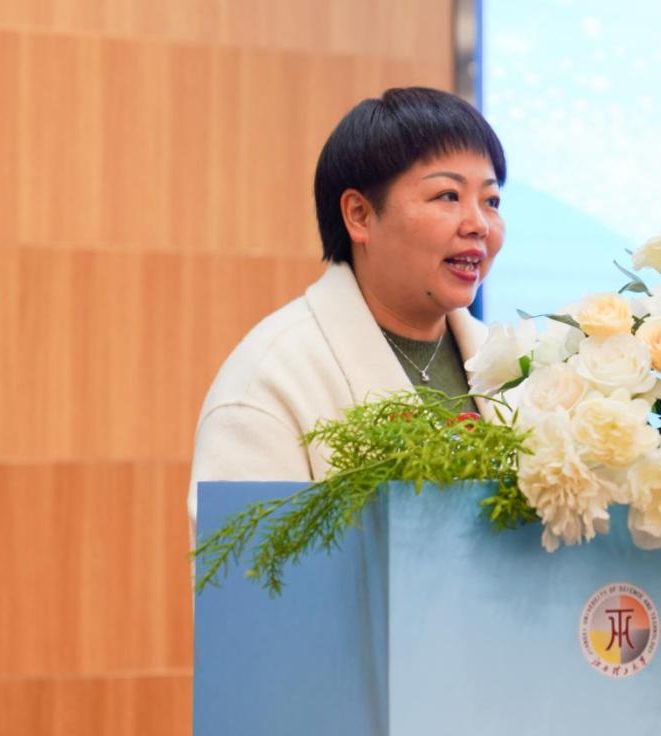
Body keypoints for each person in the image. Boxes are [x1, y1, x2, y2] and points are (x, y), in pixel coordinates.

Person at [188, 87, 507, 538]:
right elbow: (249, 571)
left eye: (491, 201)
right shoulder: (270, 379)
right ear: (359, 215)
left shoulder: (517, 367)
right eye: (447, 196)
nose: (478, 225)